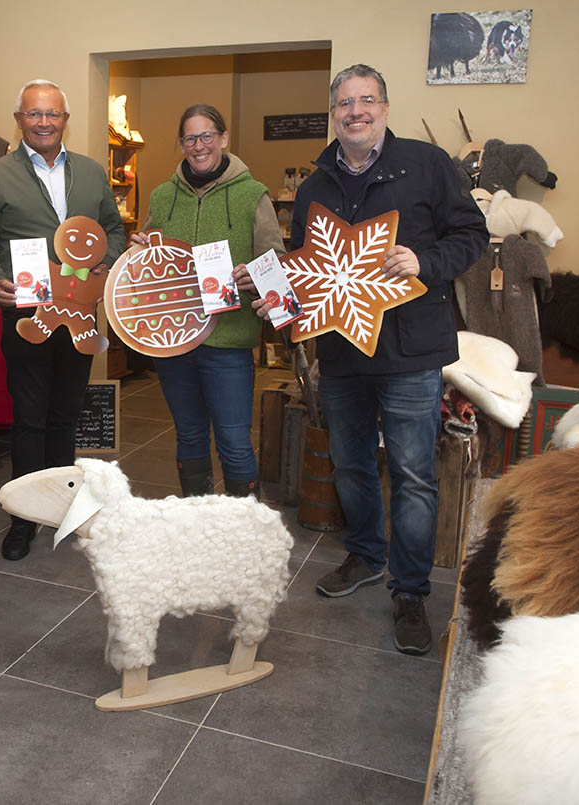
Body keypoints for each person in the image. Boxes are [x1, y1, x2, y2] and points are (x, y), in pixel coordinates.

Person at [256, 64, 487, 655]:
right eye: (344, 103)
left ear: (384, 107)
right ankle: (364, 554)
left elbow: (471, 234)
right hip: (342, 352)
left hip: (411, 349)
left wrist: (424, 263)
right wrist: (279, 301)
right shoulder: (313, 188)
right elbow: (311, 270)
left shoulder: (428, 165)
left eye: (366, 101)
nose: (355, 111)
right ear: (334, 112)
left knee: (412, 473)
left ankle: (410, 591)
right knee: (351, 462)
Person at [0, 79, 124, 561]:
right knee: (29, 422)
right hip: (27, 317)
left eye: (52, 114)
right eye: (34, 114)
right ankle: (23, 519)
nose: (43, 122)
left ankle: (65, 510)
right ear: (19, 120)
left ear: (64, 120)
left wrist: (104, 262)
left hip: (80, 319)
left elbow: (114, 229)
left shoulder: (93, 174)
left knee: (66, 417)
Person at [131, 104, 284, 497]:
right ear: (180, 144)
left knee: (233, 441)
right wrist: (141, 249)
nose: (199, 146)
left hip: (228, 343)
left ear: (223, 138)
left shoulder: (253, 195)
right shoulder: (163, 196)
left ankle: (241, 532)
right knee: (189, 435)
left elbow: (278, 265)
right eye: (190, 138)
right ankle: (197, 524)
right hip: (174, 341)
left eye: (207, 136)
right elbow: (150, 255)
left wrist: (257, 276)